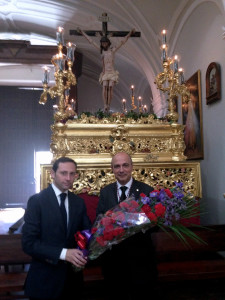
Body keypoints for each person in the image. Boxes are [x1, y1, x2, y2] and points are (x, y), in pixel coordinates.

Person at [22, 157, 91, 300]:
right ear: (52, 174)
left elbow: (85, 233)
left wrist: (84, 250)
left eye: (72, 174)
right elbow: (29, 243)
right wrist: (63, 253)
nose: (68, 178)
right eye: (63, 173)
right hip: (45, 281)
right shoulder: (37, 201)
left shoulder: (78, 202)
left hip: (72, 282)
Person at [96, 152, 159, 300]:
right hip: (113, 262)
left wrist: (137, 221)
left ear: (132, 167)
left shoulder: (146, 190)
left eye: (125, 165)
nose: (121, 170)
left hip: (141, 260)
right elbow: (99, 221)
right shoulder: (105, 192)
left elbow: (156, 225)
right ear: (112, 169)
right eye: (117, 166)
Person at [77, 27, 135, 112]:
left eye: (105, 43)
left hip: (112, 72)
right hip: (105, 72)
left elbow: (122, 42)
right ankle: (105, 105)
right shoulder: (101, 51)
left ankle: (109, 104)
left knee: (110, 87)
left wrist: (130, 33)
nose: (104, 44)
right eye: (102, 43)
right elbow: (91, 41)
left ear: (108, 43)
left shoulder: (112, 51)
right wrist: (82, 32)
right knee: (105, 87)